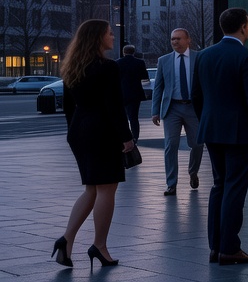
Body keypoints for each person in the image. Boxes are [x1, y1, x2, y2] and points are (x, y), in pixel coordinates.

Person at [53, 19, 136, 270]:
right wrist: (126, 137)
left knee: (91, 188)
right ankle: (99, 246)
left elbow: (68, 106)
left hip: (80, 130)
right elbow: (114, 106)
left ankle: (66, 241)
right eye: (110, 33)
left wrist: (73, 131)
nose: (113, 37)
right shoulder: (108, 67)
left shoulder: (71, 66)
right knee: (106, 190)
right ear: (98, 37)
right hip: (103, 131)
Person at [193, 7, 248, 265]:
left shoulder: (203, 55)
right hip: (240, 132)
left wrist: (207, 121)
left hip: (212, 130)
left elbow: (197, 96)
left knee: (219, 186)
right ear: (244, 27)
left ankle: (215, 246)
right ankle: (230, 247)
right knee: (235, 189)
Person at [150, 27, 203, 196]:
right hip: (172, 108)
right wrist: (155, 111)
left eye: (178, 39)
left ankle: (193, 171)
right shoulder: (164, 60)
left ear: (188, 40)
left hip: (193, 108)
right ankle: (171, 183)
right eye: (173, 39)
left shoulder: (199, 57)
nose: (175, 42)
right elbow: (158, 87)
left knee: (197, 143)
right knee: (170, 145)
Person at [115, 44, 145, 142]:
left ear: (124, 52)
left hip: (121, 94)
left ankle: (123, 136)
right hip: (135, 94)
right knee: (134, 117)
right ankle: (135, 137)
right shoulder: (140, 63)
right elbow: (145, 80)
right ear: (134, 52)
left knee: (121, 116)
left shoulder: (117, 63)